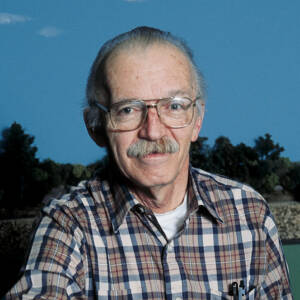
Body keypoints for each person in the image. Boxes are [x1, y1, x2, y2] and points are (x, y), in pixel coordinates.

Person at [5, 26, 292, 299]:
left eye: (174, 106)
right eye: (128, 109)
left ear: (197, 120)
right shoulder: (68, 224)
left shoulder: (250, 213)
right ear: (95, 128)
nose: (153, 131)